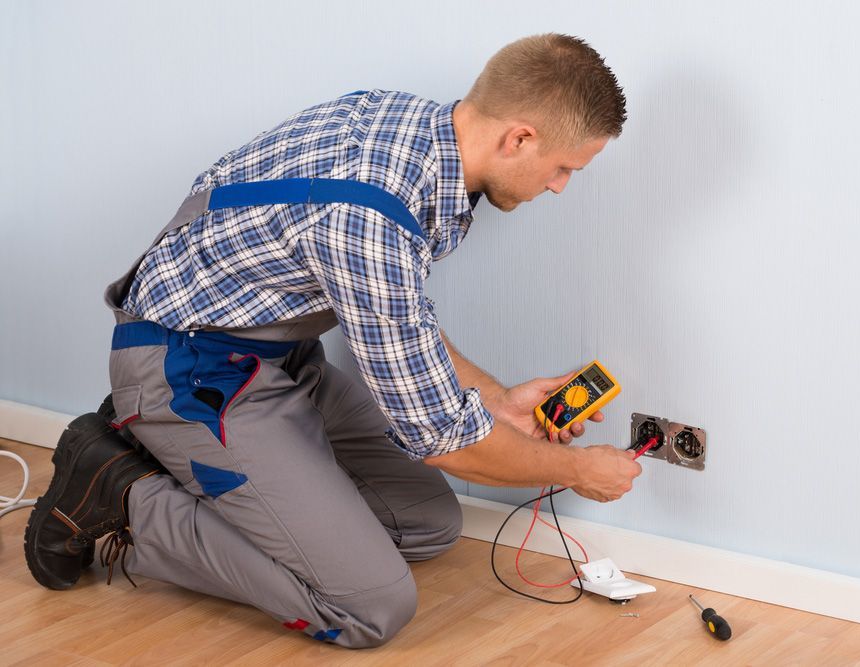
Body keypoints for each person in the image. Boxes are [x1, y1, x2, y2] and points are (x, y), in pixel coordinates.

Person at [24, 33, 641, 648]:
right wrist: (577, 470)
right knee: (368, 608)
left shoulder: (411, 128)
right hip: (188, 373)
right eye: (564, 168)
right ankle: (119, 492)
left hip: (279, 359)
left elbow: (399, 319)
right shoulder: (371, 214)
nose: (560, 186)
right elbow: (442, 440)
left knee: (425, 523)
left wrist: (498, 399)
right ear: (520, 138)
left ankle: (196, 474)